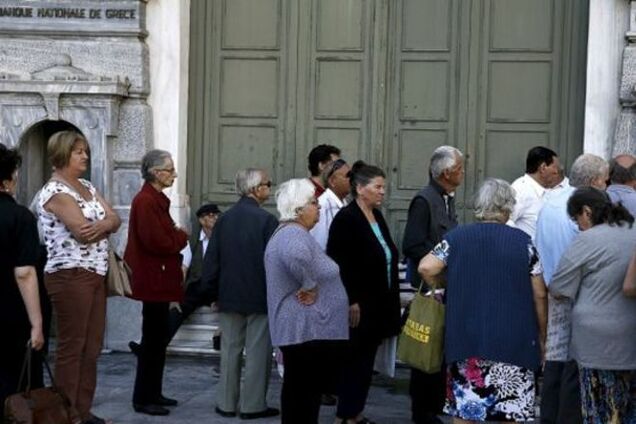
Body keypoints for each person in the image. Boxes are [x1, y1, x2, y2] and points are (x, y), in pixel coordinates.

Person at [419, 178, 547, 423]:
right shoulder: (523, 243)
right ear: (507, 207)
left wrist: (449, 281)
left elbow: (426, 267)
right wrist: (542, 337)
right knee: (511, 414)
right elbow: (539, 293)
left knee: (466, 413)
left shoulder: (456, 238)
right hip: (514, 344)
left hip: (467, 341)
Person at [37, 130, 121, 424]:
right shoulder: (55, 191)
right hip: (69, 274)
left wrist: (103, 224)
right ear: (62, 154)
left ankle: (82, 411)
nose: (85, 156)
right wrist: (105, 224)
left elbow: (115, 219)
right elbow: (81, 232)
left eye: (85, 151)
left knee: (92, 346)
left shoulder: (86, 186)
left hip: (95, 273)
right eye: (78, 152)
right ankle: (65, 414)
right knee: (72, 347)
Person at [264, 178, 349, 423]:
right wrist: (310, 285)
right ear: (298, 209)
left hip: (305, 329)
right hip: (304, 329)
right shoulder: (293, 233)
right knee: (303, 394)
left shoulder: (294, 232)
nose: (319, 207)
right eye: (313, 202)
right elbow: (296, 257)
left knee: (301, 392)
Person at [549, 187, 636, 424]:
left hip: (595, 343)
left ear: (586, 212)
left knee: (599, 410)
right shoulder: (633, 231)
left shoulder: (587, 240)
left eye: (577, 219)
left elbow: (559, 288)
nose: (578, 226)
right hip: (631, 339)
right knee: (628, 411)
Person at [534, 153, 608, 424]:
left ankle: (549, 416)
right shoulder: (583, 211)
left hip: (552, 289)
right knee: (573, 367)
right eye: (603, 179)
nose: (606, 185)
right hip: (578, 294)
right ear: (593, 181)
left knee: (554, 360)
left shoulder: (550, 201)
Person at [201, 168, 279, 419]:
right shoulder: (267, 221)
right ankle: (252, 406)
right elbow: (275, 262)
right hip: (259, 296)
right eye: (268, 184)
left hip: (229, 295)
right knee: (258, 354)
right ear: (256, 189)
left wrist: (211, 292)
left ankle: (225, 403)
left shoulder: (225, 219)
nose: (270, 188)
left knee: (230, 351)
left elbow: (212, 259)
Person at [327, 161, 402, 424]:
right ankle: (344, 415)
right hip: (358, 305)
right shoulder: (346, 219)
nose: (382, 192)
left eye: (384, 187)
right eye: (378, 187)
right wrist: (351, 299)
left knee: (365, 362)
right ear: (360, 189)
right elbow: (339, 263)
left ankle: (354, 413)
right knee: (354, 360)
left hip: (379, 302)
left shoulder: (377, 216)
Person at [402, 145, 464, 424]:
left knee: (438, 350)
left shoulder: (446, 199)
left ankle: (434, 405)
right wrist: (436, 267)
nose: (463, 173)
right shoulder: (424, 200)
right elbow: (413, 244)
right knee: (425, 349)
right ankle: (422, 412)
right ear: (447, 172)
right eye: (460, 168)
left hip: (444, 288)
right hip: (429, 289)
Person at [124, 149, 189, 416]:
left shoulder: (155, 199)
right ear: (156, 172)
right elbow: (157, 241)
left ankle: (154, 392)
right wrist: (181, 238)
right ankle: (144, 398)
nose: (174, 174)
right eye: (170, 169)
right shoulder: (146, 201)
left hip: (160, 279)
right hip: (153, 280)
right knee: (151, 342)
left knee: (157, 341)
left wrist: (174, 235)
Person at [128, 202, 222, 354]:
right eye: (211, 216)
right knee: (177, 310)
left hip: (218, 286)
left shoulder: (225, 239)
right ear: (201, 220)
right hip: (198, 285)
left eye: (217, 215)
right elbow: (183, 269)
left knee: (230, 302)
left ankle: (221, 336)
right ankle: (152, 348)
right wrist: (175, 294)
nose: (215, 218)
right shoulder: (191, 242)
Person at [0, 144, 45, 418]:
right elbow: (25, 273)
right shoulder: (20, 217)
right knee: (14, 387)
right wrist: (37, 323)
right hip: (10, 317)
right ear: (6, 181)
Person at [510, 146, 561, 238]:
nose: (557, 172)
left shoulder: (549, 190)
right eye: (555, 167)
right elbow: (506, 222)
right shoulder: (520, 190)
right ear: (543, 168)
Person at [310, 158, 351, 250]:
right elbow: (319, 244)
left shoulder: (345, 203)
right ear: (332, 181)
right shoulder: (322, 206)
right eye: (347, 176)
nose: (351, 179)